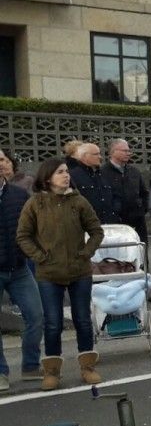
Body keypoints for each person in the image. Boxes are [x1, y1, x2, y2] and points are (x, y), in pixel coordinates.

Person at [15, 157, 105, 390]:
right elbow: (23, 236)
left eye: (66, 171)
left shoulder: (79, 201)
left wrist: (86, 253)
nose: (66, 175)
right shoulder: (35, 203)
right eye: (60, 172)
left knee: (83, 320)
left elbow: (96, 231)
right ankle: (52, 371)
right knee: (53, 323)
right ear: (47, 178)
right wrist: (41, 257)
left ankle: (88, 368)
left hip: (79, 271)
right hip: (49, 274)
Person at [0, 155, 42, 390]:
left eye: (2, 159)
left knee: (36, 316)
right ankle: (0, 372)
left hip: (19, 268)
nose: (0, 163)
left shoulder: (18, 195)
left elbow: (33, 228)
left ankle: (30, 365)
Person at [100, 139, 149, 250]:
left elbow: (144, 193)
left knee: (140, 251)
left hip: (137, 221)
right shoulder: (102, 172)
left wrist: (141, 209)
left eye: (129, 151)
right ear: (113, 152)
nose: (128, 153)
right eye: (125, 151)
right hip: (115, 224)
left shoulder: (134, 171)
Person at [67, 141, 121, 224]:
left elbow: (116, 195)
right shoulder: (72, 176)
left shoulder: (104, 174)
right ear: (84, 156)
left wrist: (115, 211)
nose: (100, 157)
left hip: (109, 225)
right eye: (96, 154)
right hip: (87, 227)